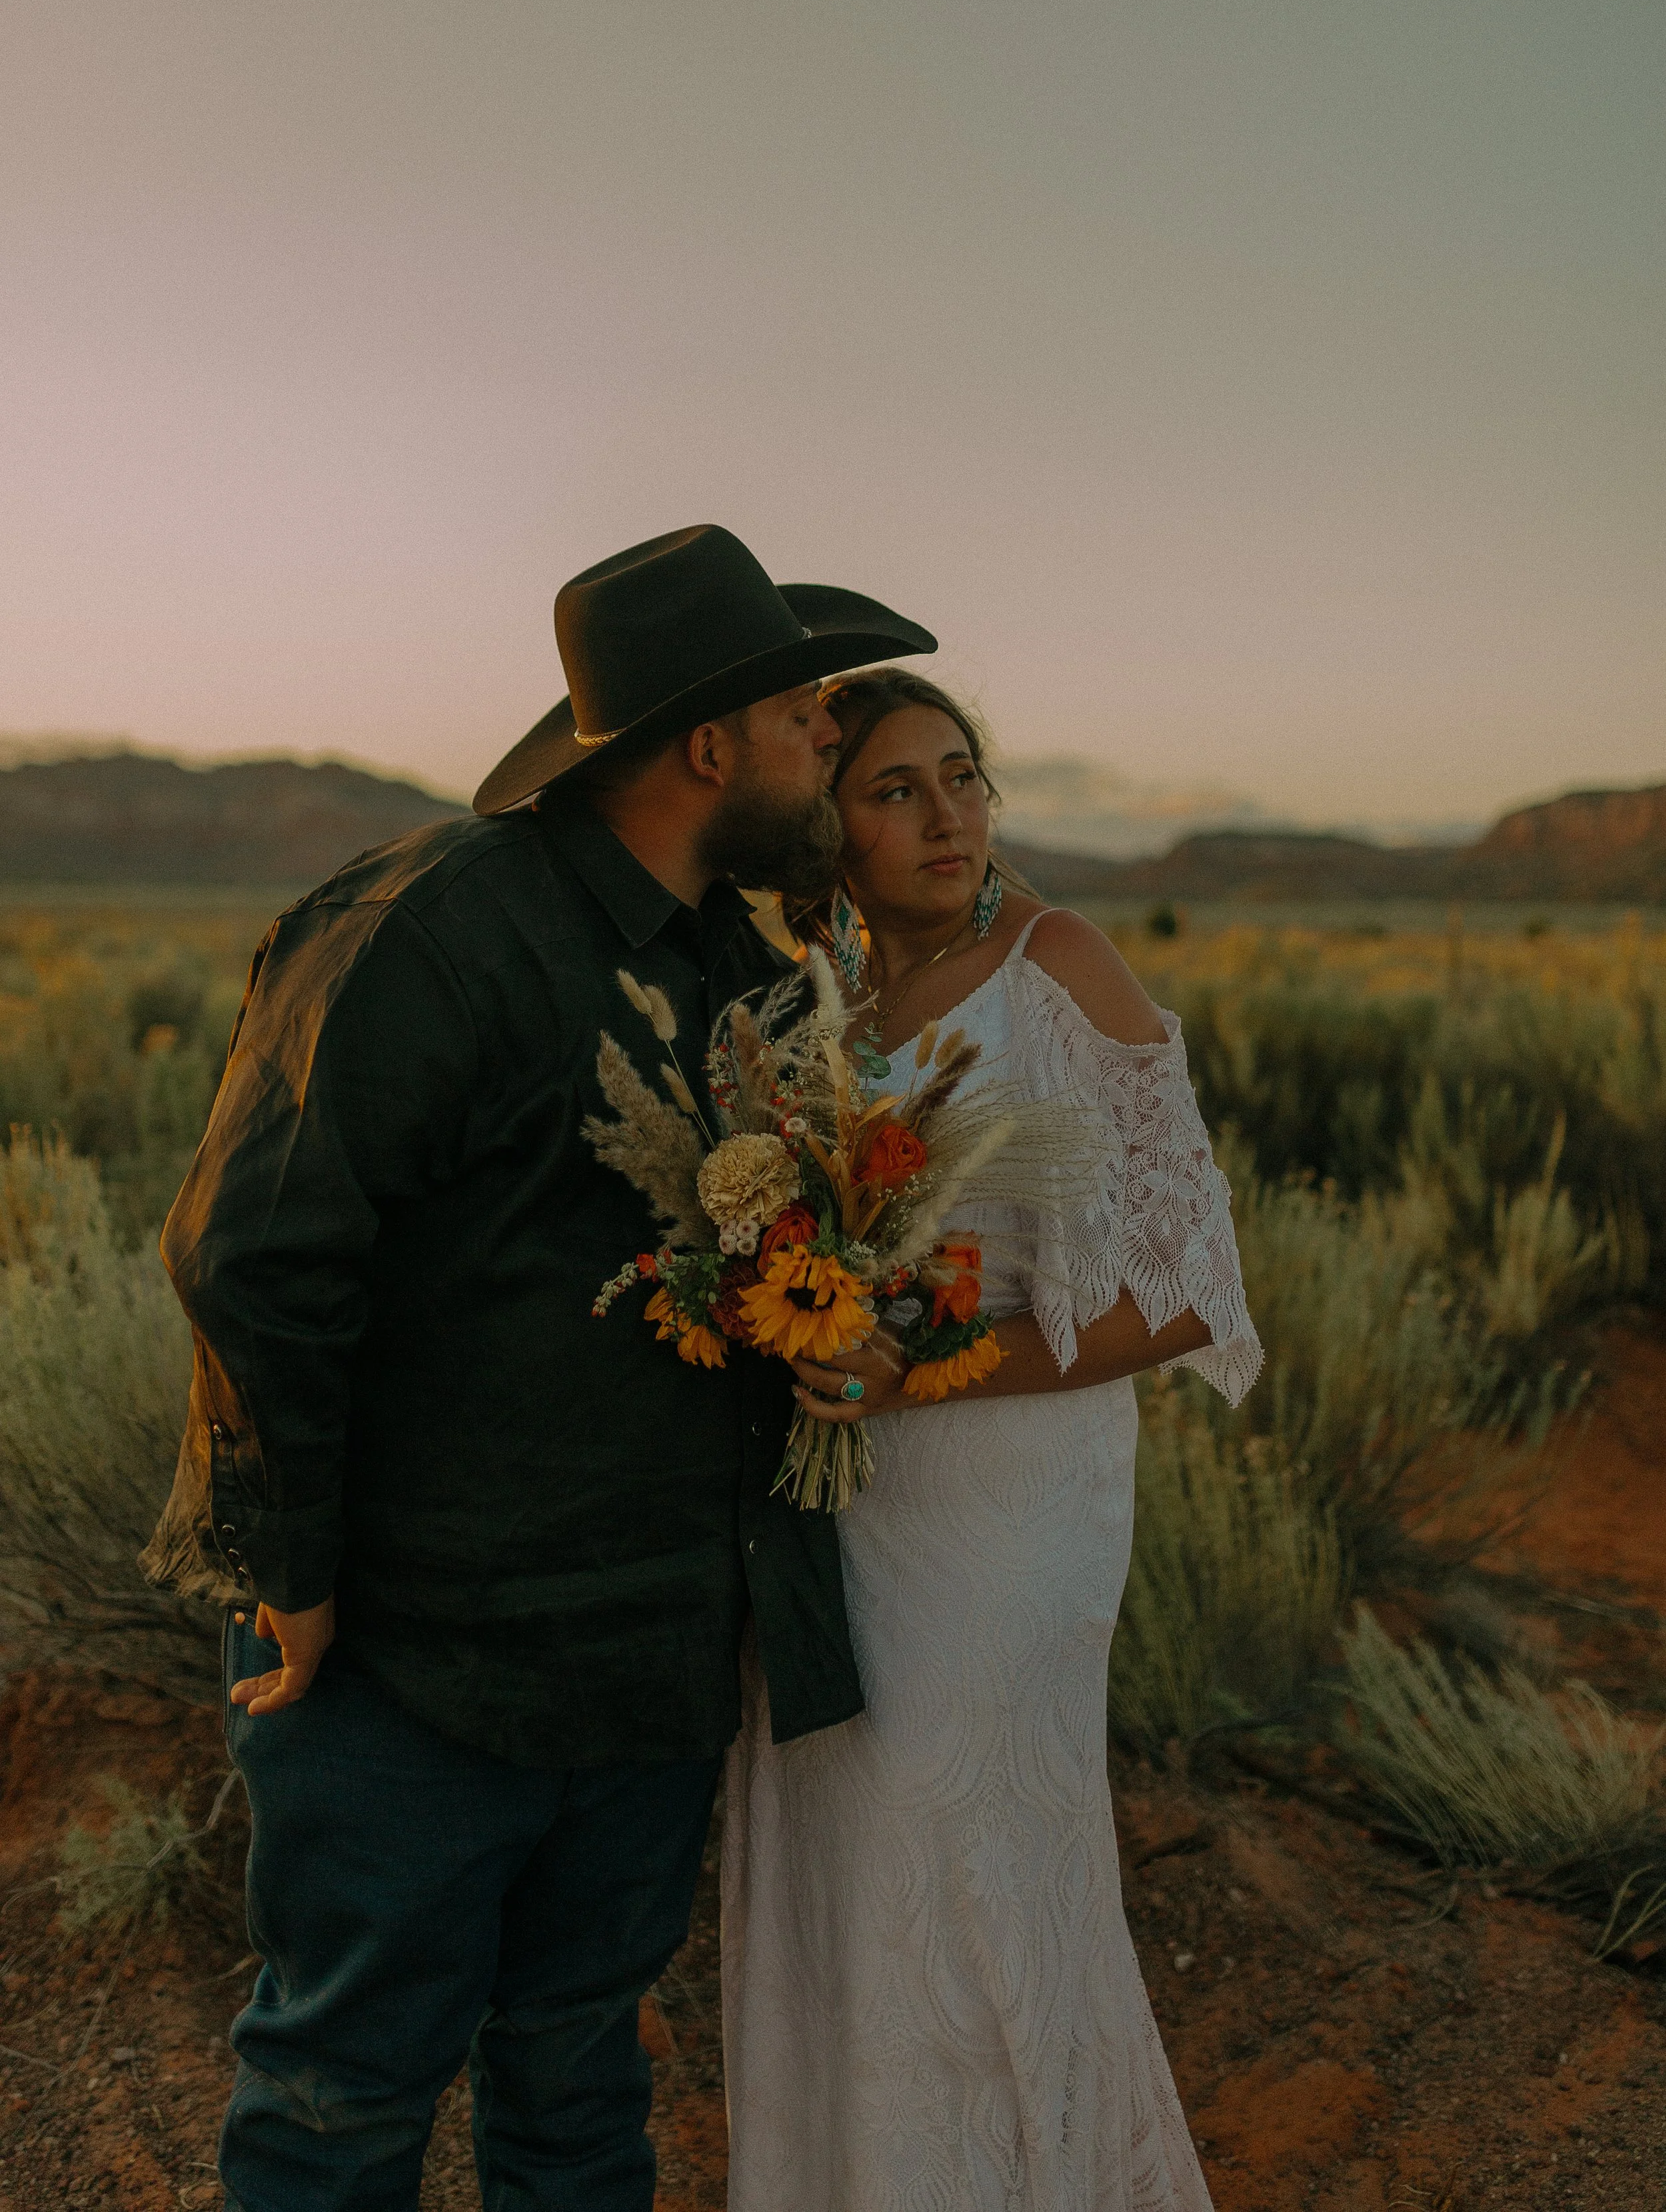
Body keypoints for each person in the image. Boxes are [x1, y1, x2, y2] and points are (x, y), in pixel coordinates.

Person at [139, 527, 936, 2212]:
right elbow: (253, 1251)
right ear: (706, 746)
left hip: (644, 1663)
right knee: (343, 2094)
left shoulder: (740, 972)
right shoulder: (429, 930)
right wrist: (288, 1572)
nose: (826, 752)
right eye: (805, 722)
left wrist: (843, 1329)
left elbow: (775, 1254)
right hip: (415, 1665)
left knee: (580, 2075)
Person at [721, 668, 1262, 2212]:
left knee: (975, 1872)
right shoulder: (802, 1017)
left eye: (961, 777)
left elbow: (1181, 1290)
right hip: (844, 1507)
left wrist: (923, 1375)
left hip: (1005, 1514)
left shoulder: (1056, 965)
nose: (947, 814)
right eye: (895, 790)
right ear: (826, 830)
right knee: (847, 1876)